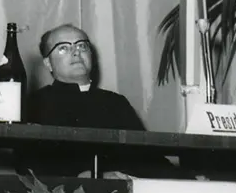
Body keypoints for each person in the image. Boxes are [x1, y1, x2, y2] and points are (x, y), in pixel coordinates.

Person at [25, 24, 171, 178]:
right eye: (63, 48)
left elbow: (149, 158)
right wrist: (87, 177)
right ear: (48, 63)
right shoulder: (36, 103)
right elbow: (29, 163)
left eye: (82, 46)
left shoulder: (115, 102)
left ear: (91, 56)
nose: (76, 52)